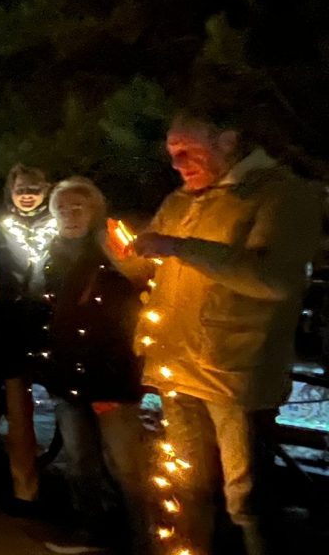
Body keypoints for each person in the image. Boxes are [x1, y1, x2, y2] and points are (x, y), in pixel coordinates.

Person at [111, 102, 320, 554]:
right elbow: (153, 270)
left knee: (245, 496)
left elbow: (276, 280)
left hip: (234, 374)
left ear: (227, 142)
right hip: (176, 366)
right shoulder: (180, 201)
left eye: (187, 150)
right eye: (171, 152)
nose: (175, 163)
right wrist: (127, 252)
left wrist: (179, 246)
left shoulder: (283, 195)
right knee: (187, 484)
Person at [34, 178, 150, 554]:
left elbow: (135, 304)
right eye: (62, 208)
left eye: (77, 207)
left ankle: (143, 537)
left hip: (111, 375)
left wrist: (114, 379)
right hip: (69, 373)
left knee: (125, 464)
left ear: (95, 209)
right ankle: (91, 528)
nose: (69, 214)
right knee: (80, 459)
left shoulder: (115, 247)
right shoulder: (52, 253)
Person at [0, 164, 56, 512]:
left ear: (46, 189)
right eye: (21, 187)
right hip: (10, 327)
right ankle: (25, 488)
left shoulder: (61, 228)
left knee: (69, 411)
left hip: (55, 328)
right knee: (17, 409)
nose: (27, 194)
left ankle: (77, 483)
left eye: (34, 187)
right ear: (10, 191)